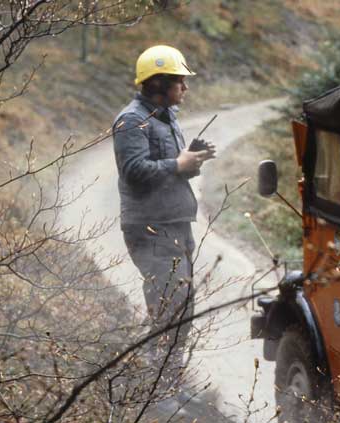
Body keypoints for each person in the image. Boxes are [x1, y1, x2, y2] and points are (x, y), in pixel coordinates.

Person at [111, 45, 216, 387]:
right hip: (151, 228)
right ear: (158, 83)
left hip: (174, 225)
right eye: (180, 81)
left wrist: (192, 160)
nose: (185, 87)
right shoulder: (132, 121)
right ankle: (157, 391)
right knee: (169, 309)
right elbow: (134, 171)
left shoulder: (166, 117)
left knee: (181, 309)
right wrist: (177, 164)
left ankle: (167, 382)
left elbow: (169, 170)